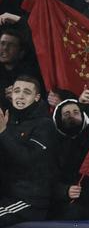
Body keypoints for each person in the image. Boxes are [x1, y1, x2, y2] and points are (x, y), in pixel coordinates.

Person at [0, 75, 57, 225]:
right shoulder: (8, 120)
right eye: (17, 91)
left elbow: (29, 160)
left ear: (36, 97)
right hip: (6, 194)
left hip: (29, 200)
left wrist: (3, 133)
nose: (20, 96)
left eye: (27, 92)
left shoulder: (45, 125)